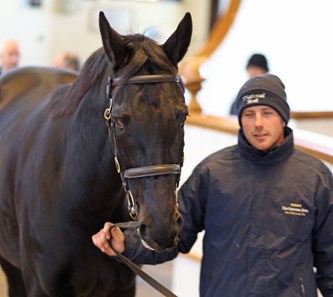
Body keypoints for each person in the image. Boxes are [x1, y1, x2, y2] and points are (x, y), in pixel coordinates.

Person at [92, 74, 333, 297]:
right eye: (249, 114)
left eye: (267, 112)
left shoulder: (315, 178)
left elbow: (330, 257)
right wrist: (126, 241)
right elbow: (177, 235)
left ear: (283, 117)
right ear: (239, 119)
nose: (258, 123)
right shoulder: (213, 172)